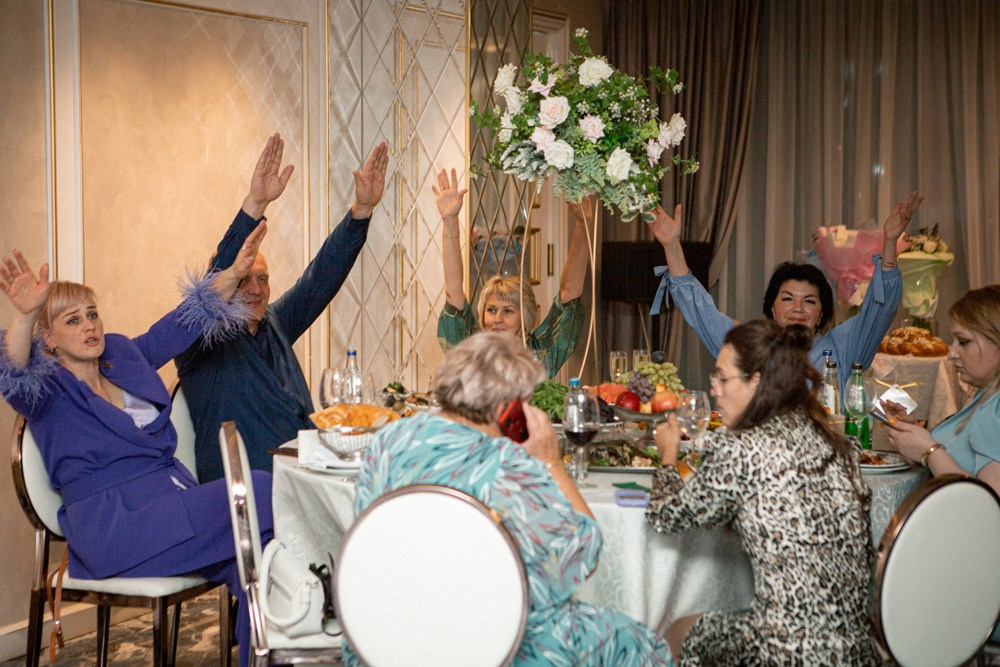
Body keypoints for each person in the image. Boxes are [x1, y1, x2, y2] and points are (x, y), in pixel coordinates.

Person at [0, 230, 272, 667]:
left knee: (264, 559)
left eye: (92, 314)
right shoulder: (48, 393)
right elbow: (13, 375)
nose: (89, 325)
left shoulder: (123, 357)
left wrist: (234, 274)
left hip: (168, 508)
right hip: (115, 528)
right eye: (72, 320)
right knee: (260, 489)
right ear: (47, 339)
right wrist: (26, 315)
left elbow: (180, 324)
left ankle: (267, 658)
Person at [347, 332, 673, 666]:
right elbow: (582, 554)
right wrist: (552, 463)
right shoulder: (506, 463)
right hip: (485, 645)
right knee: (642, 645)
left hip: (386, 639)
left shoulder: (388, 440)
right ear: (507, 409)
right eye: (526, 402)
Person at [646, 320, 877, 665]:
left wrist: (668, 456)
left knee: (675, 631)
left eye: (722, 379)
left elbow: (665, 517)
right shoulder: (837, 444)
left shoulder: (742, 449)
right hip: (855, 650)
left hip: (785, 652)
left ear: (756, 381)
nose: (714, 390)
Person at [176, 133, 388, 482]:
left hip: (308, 471)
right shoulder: (202, 340)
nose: (256, 290)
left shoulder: (274, 321)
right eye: (243, 280)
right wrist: (255, 205)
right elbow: (214, 284)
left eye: (263, 279)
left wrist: (361, 212)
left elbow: (320, 278)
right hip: (248, 488)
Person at [648, 192, 924, 391]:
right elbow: (701, 312)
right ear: (772, 307)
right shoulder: (751, 346)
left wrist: (889, 243)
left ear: (822, 313)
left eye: (809, 301)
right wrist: (671, 245)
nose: (797, 308)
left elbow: (880, 309)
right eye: (788, 299)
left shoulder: (843, 347)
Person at [433, 167, 588, 377]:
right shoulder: (471, 350)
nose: (497, 319)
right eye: (491, 310)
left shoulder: (542, 352)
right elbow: (453, 291)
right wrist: (450, 222)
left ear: (525, 317)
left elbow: (569, 293)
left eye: (508, 311)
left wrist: (582, 224)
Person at [883, 285, 1000, 495]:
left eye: (963, 341)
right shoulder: (986, 395)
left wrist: (929, 452)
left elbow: (989, 503)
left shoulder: (995, 408)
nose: (951, 353)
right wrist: (916, 437)